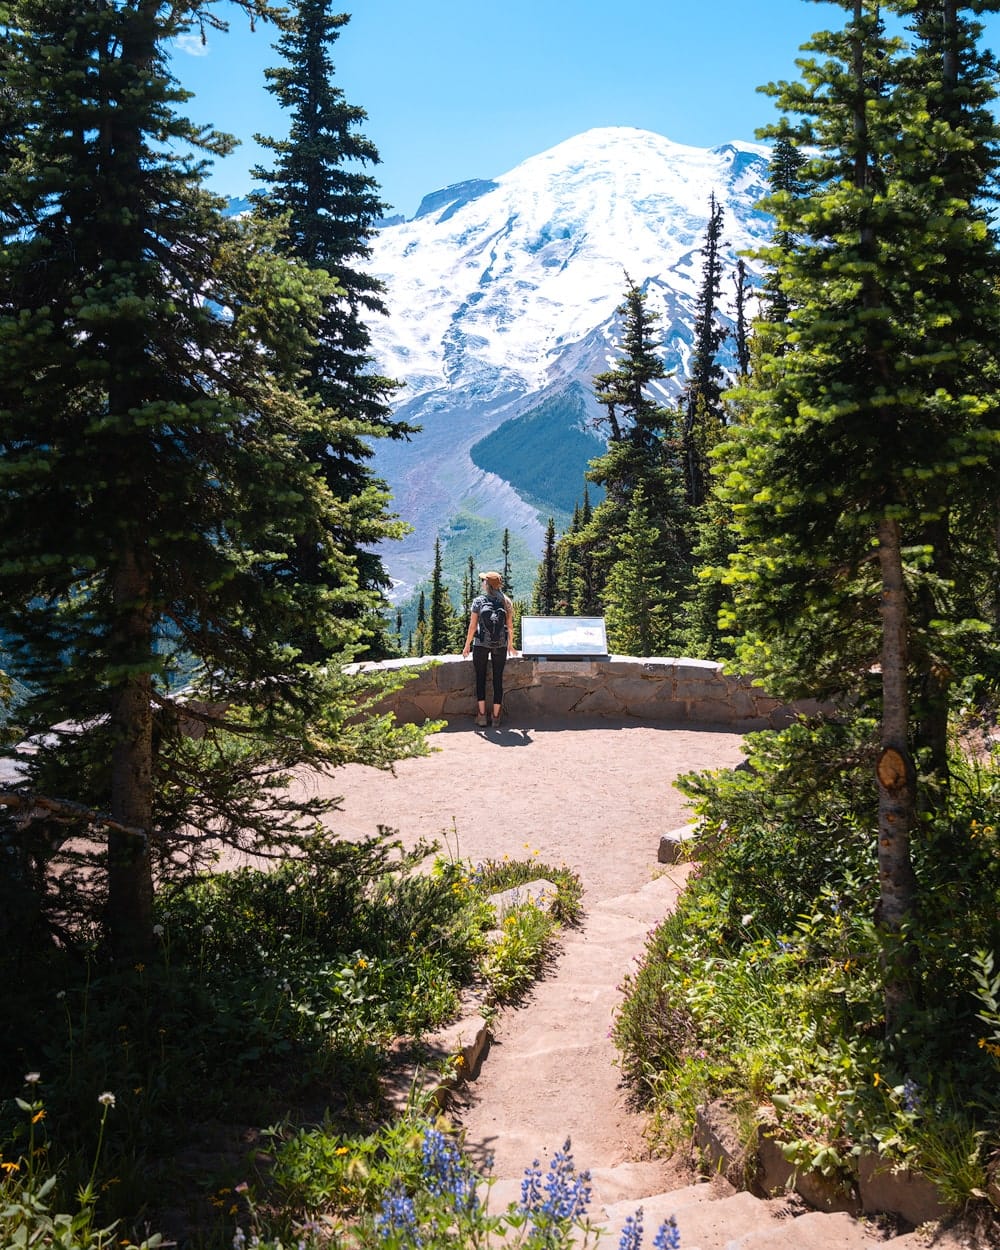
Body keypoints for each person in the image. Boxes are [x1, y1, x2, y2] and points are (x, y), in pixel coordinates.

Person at [462, 570, 516, 726]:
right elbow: (510, 627)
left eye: (484, 581)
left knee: (480, 678)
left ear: (487, 585)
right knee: (498, 679)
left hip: (480, 644)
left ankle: (481, 715)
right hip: (500, 645)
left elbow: (472, 627)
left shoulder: (479, 601)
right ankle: (496, 717)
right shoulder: (506, 602)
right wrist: (510, 645)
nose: (482, 583)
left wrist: (467, 646)